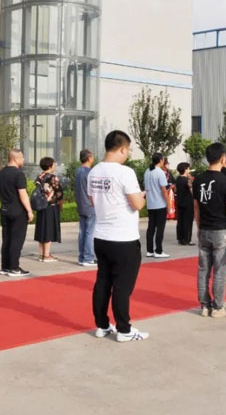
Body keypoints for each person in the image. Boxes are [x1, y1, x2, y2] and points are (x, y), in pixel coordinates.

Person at [88, 130, 148, 342]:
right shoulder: (125, 173)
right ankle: (124, 329)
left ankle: (102, 325)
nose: (128, 154)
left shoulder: (94, 172)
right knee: (122, 286)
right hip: (123, 238)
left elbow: (93, 201)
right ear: (122, 148)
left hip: (101, 237)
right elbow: (137, 204)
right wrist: (142, 196)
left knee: (103, 282)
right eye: (128, 150)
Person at [193, 143, 226, 318]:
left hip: (204, 229)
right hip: (221, 231)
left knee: (203, 270)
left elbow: (196, 207)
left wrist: (199, 226)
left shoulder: (198, 180)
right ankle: (218, 307)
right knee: (220, 270)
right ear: (223, 158)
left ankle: (205, 306)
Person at [0, 149, 34, 277]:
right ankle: (14, 267)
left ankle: (5, 266)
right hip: (17, 211)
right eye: (22, 157)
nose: (23, 160)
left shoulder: (1, 173)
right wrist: (29, 211)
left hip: (5, 209)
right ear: (15, 158)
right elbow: (23, 194)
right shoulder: (18, 174)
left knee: (6, 239)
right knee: (16, 240)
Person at [34, 157, 63, 262]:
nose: (55, 166)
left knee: (42, 229)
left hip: (41, 205)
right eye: (54, 164)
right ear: (50, 166)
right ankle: (46, 256)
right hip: (50, 206)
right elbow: (59, 193)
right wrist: (60, 203)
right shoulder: (53, 177)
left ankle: (42, 254)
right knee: (48, 230)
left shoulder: (39, 176)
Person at [144, 152, 170, 258]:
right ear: (160, 160)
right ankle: (158, 251)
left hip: (150, 204)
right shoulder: (160, 173)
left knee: (151, 227)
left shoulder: (147, 171)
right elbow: (164, 190)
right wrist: (168, 204)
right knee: (160, 228)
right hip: (160, 204)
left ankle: (149, 250)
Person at [75, 149, 96, 266]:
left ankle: (82, 257)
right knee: (89, 233)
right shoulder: (90, 172)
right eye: (92, 157)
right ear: (89, 158)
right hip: (90, 204)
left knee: (82, 232)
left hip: (81, 204)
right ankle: (88, 258)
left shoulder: (77, 171)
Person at [175, 162, 195, 245]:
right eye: (188, 168)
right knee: (188, 221)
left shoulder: (178, 179)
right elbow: (191, 190)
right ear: (185, 169)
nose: (189, 170)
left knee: (180, 220)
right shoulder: (186, 180)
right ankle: (187, 239)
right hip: (188, 203)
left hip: (180, 201)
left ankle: (180, 238)